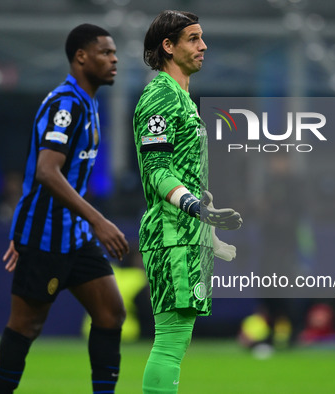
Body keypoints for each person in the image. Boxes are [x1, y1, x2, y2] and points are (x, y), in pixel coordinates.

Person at [0, 24, 129, 394]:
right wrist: (98, 221)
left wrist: (88, 225)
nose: (114, 59)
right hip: (45, 236)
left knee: (111, 313)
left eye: (114, 53)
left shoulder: (89, 102)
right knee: (26, 326)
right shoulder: (66, 105)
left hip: (76, 236)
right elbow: (46, 171)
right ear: (81, 57)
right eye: (105, 52)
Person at [133, 10, 242, 394]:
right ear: (168, 46)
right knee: (169, 343)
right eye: (194, 38)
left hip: (186, 235)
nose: (203, 46)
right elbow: (157, 171)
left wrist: (206, 230)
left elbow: (184, 174)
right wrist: (197, 211)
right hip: (171, 235)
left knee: (175, 343)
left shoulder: (181, 97)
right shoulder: (160, 96)